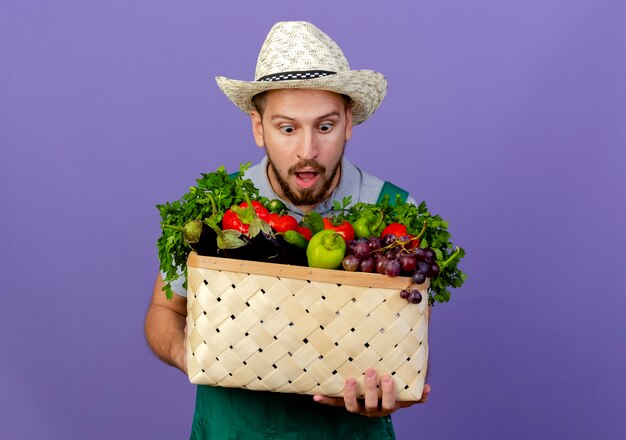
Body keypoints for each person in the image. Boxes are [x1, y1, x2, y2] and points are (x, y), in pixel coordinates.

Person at [145, 21, 430, 439]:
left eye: (325, 126)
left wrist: (391, 395)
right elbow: (164, 311)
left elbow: (405, 344)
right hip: (232, 429)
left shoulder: (395, 215)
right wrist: (186, 354)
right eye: (287, 128)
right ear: (258, 128)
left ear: (349, 123)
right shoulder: (215, 206)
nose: (307, 151)